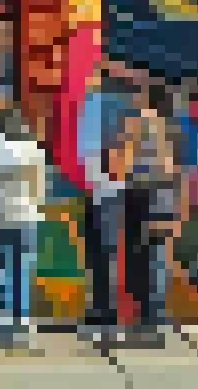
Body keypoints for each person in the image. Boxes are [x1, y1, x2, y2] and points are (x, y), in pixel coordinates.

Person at [0, 103, 44, 346]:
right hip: (26, 215)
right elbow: (39, 187)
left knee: (0, 269)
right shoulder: (33, 150)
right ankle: (23, 318)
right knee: (22, 269)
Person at [126, 101, 180, 336]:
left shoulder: (141, 125)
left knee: (146, 258)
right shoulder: (166, 135)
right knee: (153, 258)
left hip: (145, 194)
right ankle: (153, 315)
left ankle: (150, 316)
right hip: (155, 194)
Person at [80, 98, 127, 340]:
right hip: (97, 205)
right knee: (98, 264)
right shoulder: (99, 159)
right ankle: (100, 312)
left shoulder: (112, 164)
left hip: (104, 206)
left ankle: (105, 313)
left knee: (104, 263)